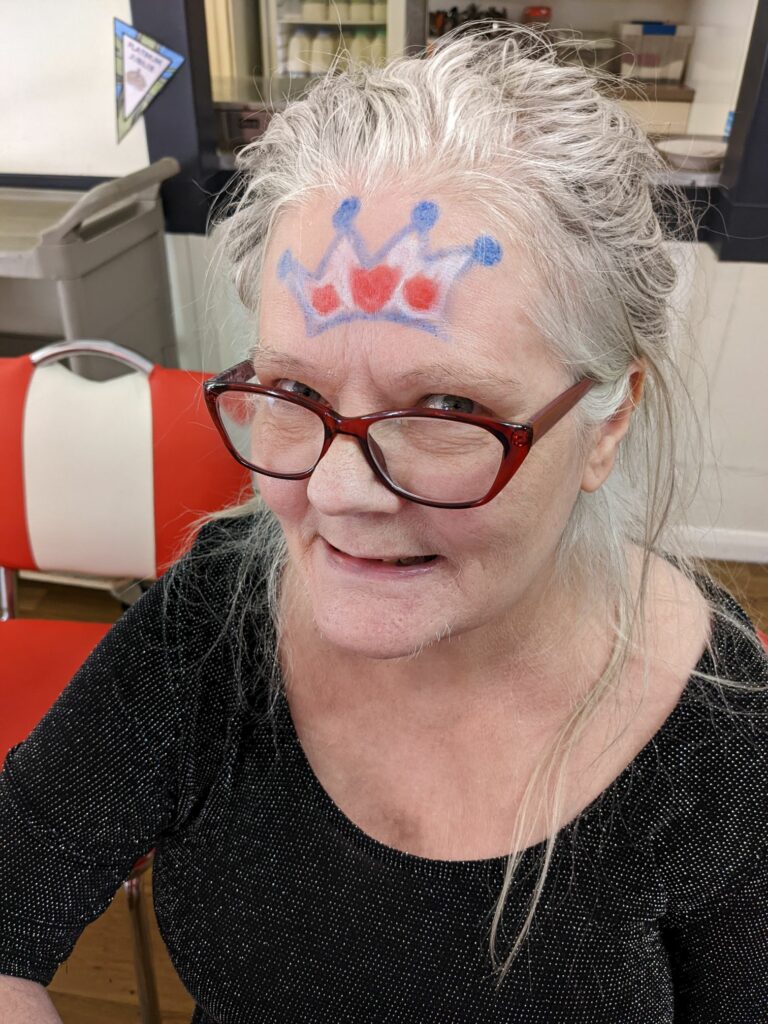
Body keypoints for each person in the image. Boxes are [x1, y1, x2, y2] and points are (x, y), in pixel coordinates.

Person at [2, 26, 767, 1024]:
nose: (336, 492)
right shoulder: (216, 615)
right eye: (293, 391)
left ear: (606, 420)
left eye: (447, 408)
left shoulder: (721, 738)